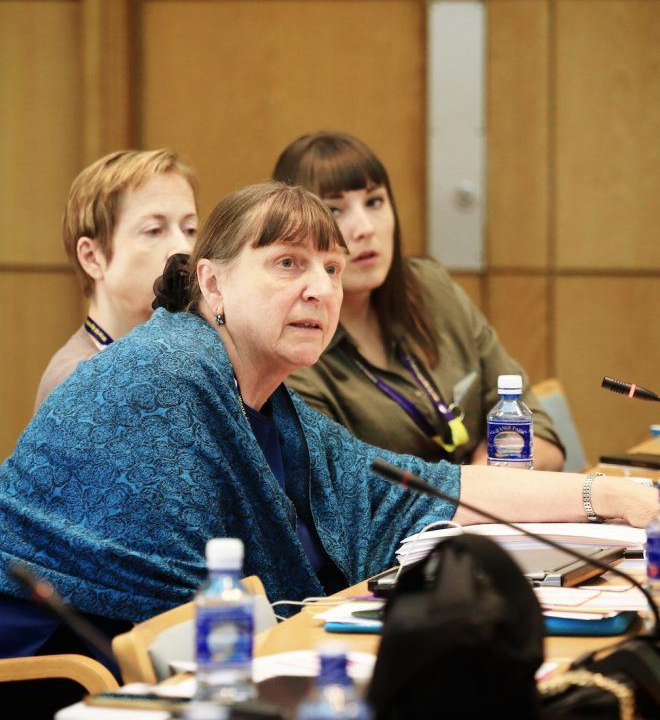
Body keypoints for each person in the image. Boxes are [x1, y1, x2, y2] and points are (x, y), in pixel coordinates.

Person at [0, 182, 654, 678]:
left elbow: (421, 486)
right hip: (56, 673)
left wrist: (610, 498)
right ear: (212, 281)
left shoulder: (271, 399)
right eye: (288, 264)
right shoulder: (167, 374)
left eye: (332, 269)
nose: (320, 289)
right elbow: (179, 611)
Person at [273, 131, 565, 470]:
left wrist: (486, 482)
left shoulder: (430, 289)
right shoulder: (295, 349)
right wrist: (483, 491)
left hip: (491, 514)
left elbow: (540, 434)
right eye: (335, 210)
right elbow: (343, 491)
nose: (365, 228)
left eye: (375, 202)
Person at [33, 148, 199, 411]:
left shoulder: (189, 359)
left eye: (190, 229)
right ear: (92, 257)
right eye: (154, 230)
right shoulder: (75, 380)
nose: (184, 248)